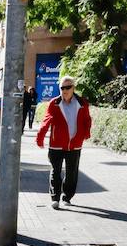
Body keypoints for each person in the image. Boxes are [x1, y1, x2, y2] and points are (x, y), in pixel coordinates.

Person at [35, 76, 93, 209]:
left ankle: (67, 197)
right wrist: (40, 137)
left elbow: (87, 120)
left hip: (74, 144)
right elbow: (46, 120)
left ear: (73, 88)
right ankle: (55, 198)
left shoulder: (82, 103)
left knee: (72, 172)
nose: (65, 90)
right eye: (62, 88)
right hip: (56, 143)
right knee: (55, 171)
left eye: (68, 87)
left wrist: (86, 133)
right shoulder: (54, 103)